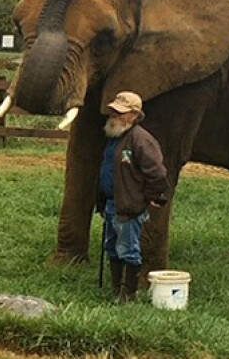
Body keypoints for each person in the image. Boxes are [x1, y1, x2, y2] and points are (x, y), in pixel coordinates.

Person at [97, 91, 169, 303]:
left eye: (120, 112)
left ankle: (129, 295)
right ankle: (116, 291)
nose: (114, 115)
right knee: (112, 248)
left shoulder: (141, 140)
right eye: (113, 111)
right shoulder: (114, 137)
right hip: (112, 204)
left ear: (134, 116)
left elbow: (157, 172)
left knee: (128, 250)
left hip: (129, 206)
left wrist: (152, 196)